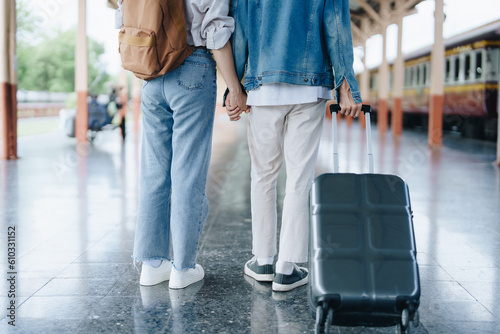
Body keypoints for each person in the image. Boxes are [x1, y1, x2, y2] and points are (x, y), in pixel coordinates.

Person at [225, 0, 362, 292]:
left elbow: (241, 32)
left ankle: (262, 261)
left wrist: (234, 86)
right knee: (299, 178)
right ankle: (287, 269)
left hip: (262, 87)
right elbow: (336, 27)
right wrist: (347, 83)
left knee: (263, 175)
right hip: (310, 87)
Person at [130, 0, 248, 289]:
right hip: (192, 68)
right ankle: (182, 268)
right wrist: (234, 87)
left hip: (151, 75)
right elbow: (216, 32)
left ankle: (152, 264)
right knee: (188, 172)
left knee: (154, 171)